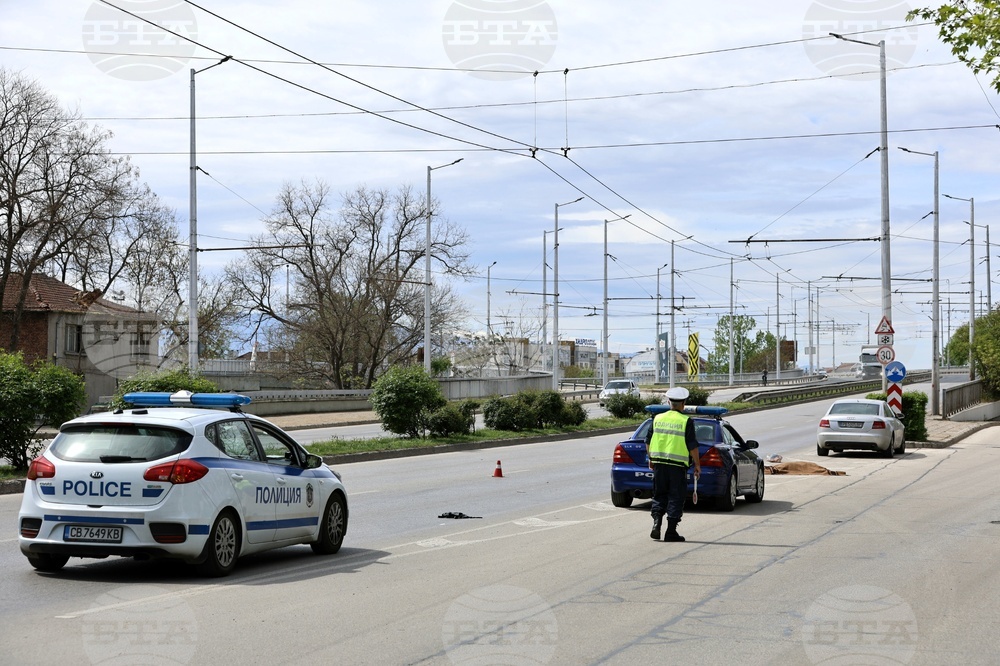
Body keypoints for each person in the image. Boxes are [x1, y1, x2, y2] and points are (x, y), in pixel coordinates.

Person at [647, 386, 701, 542]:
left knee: (659, 495)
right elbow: (692, 445)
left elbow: (648, 441)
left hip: (659, 465)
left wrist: (651, 458)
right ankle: (671, 531)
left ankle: (656, 525)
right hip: (677, 467)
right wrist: (697, 465)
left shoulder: (657, 418)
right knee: (676, 497)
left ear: (669, 401)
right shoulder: (686, 421)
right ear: (683, 403)